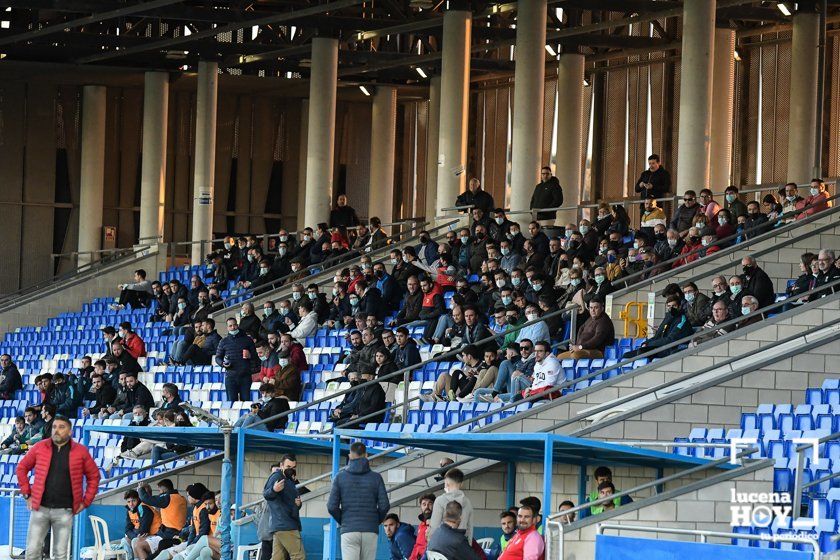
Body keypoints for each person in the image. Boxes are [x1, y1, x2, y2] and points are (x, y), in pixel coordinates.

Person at [17, 415, 100, 560]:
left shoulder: (80, 451)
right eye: (54, 427)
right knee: (32, 552)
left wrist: (86, 501)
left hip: (64, 511)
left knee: (60, 555)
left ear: (70, 432)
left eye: (61, 427)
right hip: (39, 508)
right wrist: (26, 494)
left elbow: (94, 476)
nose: (56, 430)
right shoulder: (39, 447)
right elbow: (21, 468)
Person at [327, 442, 390, 560]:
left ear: (350, 455)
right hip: (370, 530)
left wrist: (344, 520)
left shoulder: (340, 477)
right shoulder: (376, 477)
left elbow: (331, 506)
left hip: (349, 530)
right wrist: (375, 520)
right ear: (366, 455)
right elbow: (384, 505)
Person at [624, 295, 693, 359]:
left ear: (679, 306)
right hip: (662, 347)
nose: (671, 308)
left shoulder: (682, 319)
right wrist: (646, 343)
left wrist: (649, 344)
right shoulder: (668, 317)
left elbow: (671, 339)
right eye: (669, 306)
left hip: (672, 349)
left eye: (674, 306)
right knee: (626, 355)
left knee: (642, 353)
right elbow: (657, 336)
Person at [263, 455, 304, 560]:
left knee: (278, 557)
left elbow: (290, 502)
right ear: (281, 465)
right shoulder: (276, 477)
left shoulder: (289, 479)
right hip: (286, 524)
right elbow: (266, 494)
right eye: (288, 466)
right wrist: (274, 490)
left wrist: (298, 505)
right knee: (298, 556)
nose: (291, 469)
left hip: (281, 524)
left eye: (293, 467)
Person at [215, 317, 259, 401]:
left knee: (246, 403)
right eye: (230, 326)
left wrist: (250, 356)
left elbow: (256, 357)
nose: (233, 327)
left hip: (245, 376)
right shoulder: (223, 341)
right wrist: (222, 363)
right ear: (227, 328)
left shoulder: (248, 339)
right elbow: (218, 357)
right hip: (230, 376)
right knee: (231, 403)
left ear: (237, 325)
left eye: (234, 325)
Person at [428, 468, 474, 542]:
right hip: (460, 546)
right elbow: (469, 530)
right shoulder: (468, 503)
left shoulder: (440, 500)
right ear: (462, 484)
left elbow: (434, 527)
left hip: (442, 546)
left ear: (446, 484)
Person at [122, 489, 162, 560]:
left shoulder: (144, 508)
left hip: (156, 535)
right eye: (128, 501)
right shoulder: (129, 510)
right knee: (124, 541)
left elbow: (144, 530)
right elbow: (127, 529)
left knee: (135, 541)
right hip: (142, 535)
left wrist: (135, 535)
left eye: (133, 501)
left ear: (138, 499)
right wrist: (135, 535)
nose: (131, 504)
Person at [408, 494, 436, 560]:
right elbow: (417, 545)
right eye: (424, 504)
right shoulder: (421, 525)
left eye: (430, 504)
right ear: (421, 506)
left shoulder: (437, 524)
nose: (427, 506)